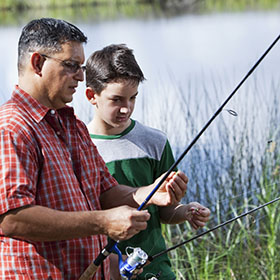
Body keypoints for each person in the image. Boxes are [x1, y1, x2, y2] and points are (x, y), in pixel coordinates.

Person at [0, 18, 189, 280]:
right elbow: (11, 219)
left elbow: (105, 191)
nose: (80, 75)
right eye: (71, 66)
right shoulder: (12, 127)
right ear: (38, 63)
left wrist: (153, 193)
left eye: (81, 67)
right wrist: (103, 222)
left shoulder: (72, 126)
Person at [85, 44, 211, 280]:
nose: (126, 108)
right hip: (102, 272)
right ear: (92, 96)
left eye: (133, 98)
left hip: (156, 271)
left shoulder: (155, 141)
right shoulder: (79, 146)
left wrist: (186, 211)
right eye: (116, 99)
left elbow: (164, 212)